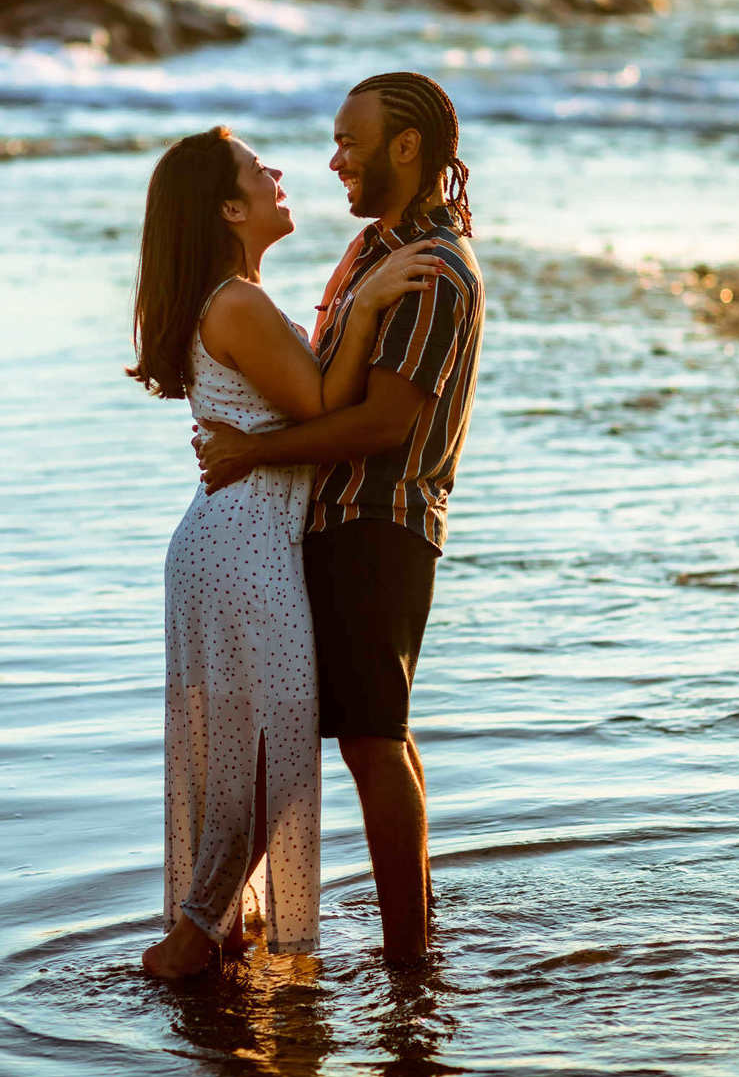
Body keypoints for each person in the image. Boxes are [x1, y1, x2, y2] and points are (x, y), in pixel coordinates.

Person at [130, 125, 437, 981]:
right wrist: (371, 303)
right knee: (272, 745)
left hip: (233, 538)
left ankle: (213, 927)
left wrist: (350, 290)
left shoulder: (238, 298)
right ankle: (193, 937)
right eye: (257, 171)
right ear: (231, 208)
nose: (278, 174)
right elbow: (322, 405)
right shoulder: (235, 302)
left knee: (253, 746)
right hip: (244, 546)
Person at [198, 73, 485, 966]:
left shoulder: (431, 268)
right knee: (343, 729)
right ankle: (212, 923)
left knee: (369, 737)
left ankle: (408, 963)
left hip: (380, 523)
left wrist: (252, 454)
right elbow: (327, 382)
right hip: (331, 521)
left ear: (408, 148)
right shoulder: (371, 253)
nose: (335, 161)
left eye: (351, 143)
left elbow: (381, 423)